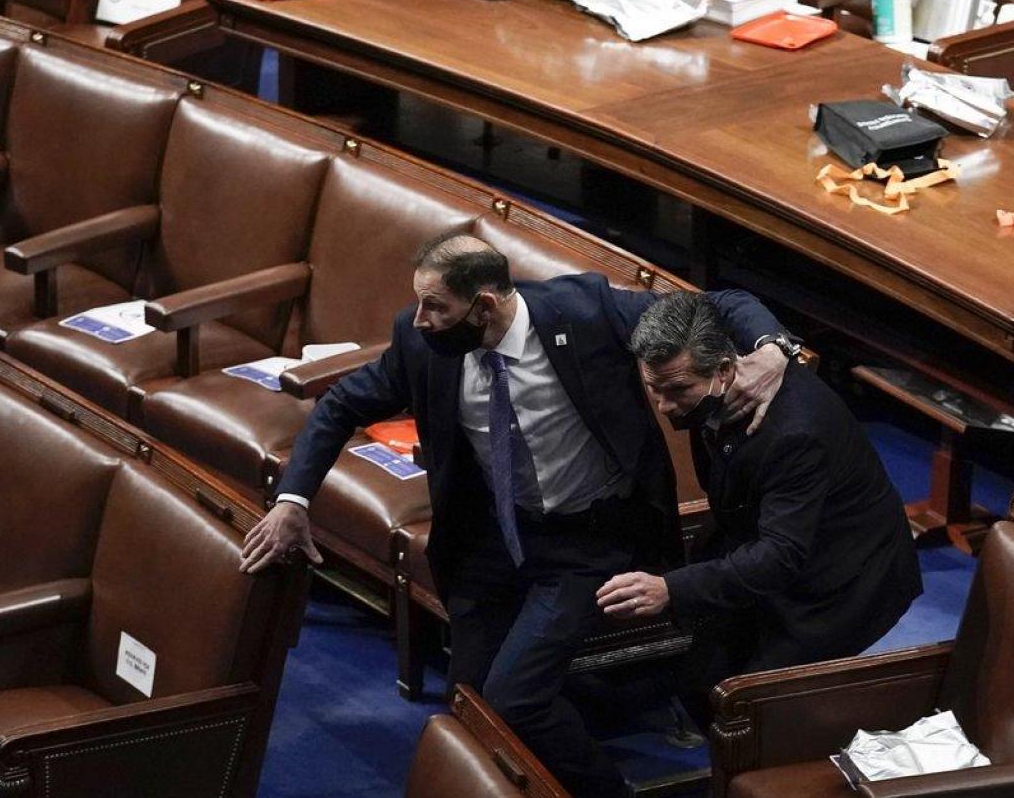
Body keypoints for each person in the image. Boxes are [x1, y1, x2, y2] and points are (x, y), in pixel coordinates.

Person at [238, 234, 790, 797]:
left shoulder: (587, 310)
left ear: (485, 305)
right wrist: (292, 500)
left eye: (437, 308)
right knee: (470, 705)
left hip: (588, 544)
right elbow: (340, 406)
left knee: (514, 700)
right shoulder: (420, 340)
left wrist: (774, 348)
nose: (421, 318)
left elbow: (720, 304)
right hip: (491, 544)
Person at [597, 291, 921, 712]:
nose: (664, 405)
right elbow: (726, 299)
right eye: (654, 389)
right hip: (760, 541)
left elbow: (781, 555)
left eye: (678, 390)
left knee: (747, 708)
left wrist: (669, 588)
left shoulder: (794, 434)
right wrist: (775, 344)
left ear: (725, 370)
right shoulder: (700, 346)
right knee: (698, 681)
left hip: (836, 583)